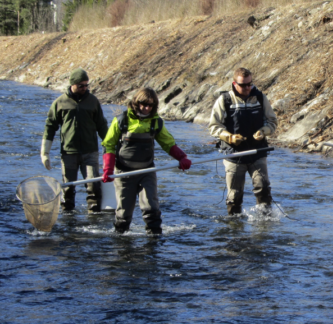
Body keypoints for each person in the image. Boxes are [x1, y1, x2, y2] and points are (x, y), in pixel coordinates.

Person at [101, 87, 192, 235]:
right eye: (143, 104)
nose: (146, 108)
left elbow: (168, 143)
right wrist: (108, 170)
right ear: (136, 103)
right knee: (123, 214)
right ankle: (120, 239)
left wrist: (182, 157)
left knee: (151, 208)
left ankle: (154, 239)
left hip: (147, 171)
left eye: (150, 105)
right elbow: (109, 145)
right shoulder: (121, 120)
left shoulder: (156, 123)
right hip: (124, 172)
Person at [208, 68, 278, 215]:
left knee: (263, 188)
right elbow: (214, 126)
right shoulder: (224, 100)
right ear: (234, 84)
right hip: (233, 155)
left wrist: (264, 131)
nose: (247, 88)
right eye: (243, 85)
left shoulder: (260, 98)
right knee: (234, 195)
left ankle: (265, 221)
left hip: (258, 152)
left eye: (249, 84)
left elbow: (272, 122)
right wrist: (229, 137)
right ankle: (234, 226)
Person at [41, 68, 108, 213]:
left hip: (90, 152)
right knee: (68, 189)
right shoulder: (60, 102)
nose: (84, 88)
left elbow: (102, 126)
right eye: (81, 85)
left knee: (93, 186)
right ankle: (68, 218)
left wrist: (112, 148)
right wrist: (44, 153)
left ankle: (94, 215)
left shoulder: (93, 101)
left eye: (86, 85)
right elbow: (50, 127)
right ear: (72, 84)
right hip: (68, 152)